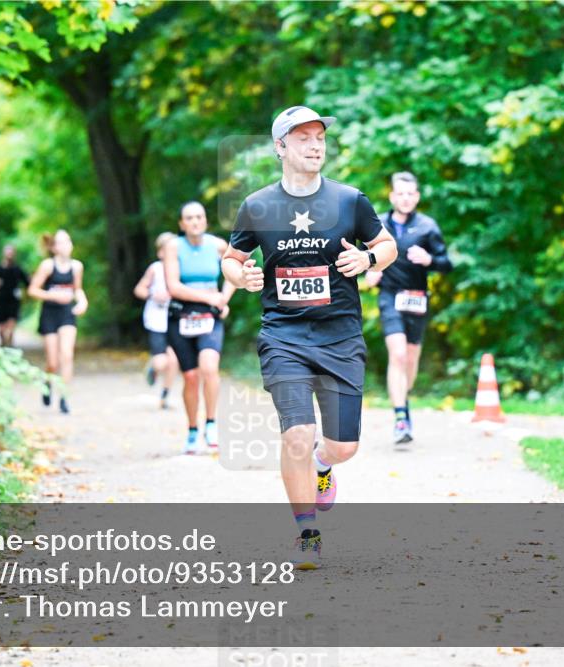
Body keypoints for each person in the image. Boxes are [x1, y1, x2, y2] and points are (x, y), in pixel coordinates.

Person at [222, 105, 397, 569]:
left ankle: (324, 466)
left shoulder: (349, 201)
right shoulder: (258, 205)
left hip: (340, 335)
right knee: (297, 433)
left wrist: (369, 261)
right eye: (303, 137)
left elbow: (386, 245)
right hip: (284, 335)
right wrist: (242, 277)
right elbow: (231, 257)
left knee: (342, 447)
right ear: (280, 147)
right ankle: (307, 533)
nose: (315, 144)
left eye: (319, 136)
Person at [365, 172, 453, 445]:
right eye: (399, 193)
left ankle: (403, 397)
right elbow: (362, 254)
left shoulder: (428, 226)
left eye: (410, 194)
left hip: (417, 298)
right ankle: (401, 416)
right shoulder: (377, 223)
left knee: (411, 359)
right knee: (399, 354)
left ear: (416, 197)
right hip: (389, 296)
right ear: (392, 197)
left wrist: (429, 259)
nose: (405, 198)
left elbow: (446, 263)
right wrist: (369, 269)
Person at [163, 202, 236, 454]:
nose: (194, 221)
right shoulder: (173, 247)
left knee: (209, 367)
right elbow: (173, 286)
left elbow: (233, 272)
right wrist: (210, 297)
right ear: (182, 224)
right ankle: (193, 429)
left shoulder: (217, 245)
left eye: (199, 217)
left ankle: (211, 423)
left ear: (205, 221)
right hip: (181, 316)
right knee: (191, 377)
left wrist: (224, 298)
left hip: (209, 317)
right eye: (189, 218)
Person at [28, 230, 88, 414]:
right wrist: (52, 295)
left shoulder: (77, 266)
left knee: (67, 355)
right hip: (50, 314)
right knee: (53, 362)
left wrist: (83, 301)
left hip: (67, 313)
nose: (66, 245)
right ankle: (47, 382)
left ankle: (64, 397)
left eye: (68, 241)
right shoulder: (47, 266)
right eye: (61, 242)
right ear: (54, 248)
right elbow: (32, 290)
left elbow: (77, 289)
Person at [134, 232, 179, 409]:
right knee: (162, 362)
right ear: (160, 252)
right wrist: (153, 294)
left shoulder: (180, 268)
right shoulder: (155, 268)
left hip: (174, 320)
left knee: (174, 360)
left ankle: (164, 396)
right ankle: (153, 365)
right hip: (156, 320)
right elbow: (139, 289)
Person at [0, 244, 28, 348]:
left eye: (11, 252)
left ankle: (10, 343)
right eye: (8, 252)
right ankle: (3, 343)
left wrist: (24, 294)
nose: (9, 254)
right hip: (1, 299)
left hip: (14, 300)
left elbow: (27, 282)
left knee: (12, 322)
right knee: (1, 326)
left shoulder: (17, 269)